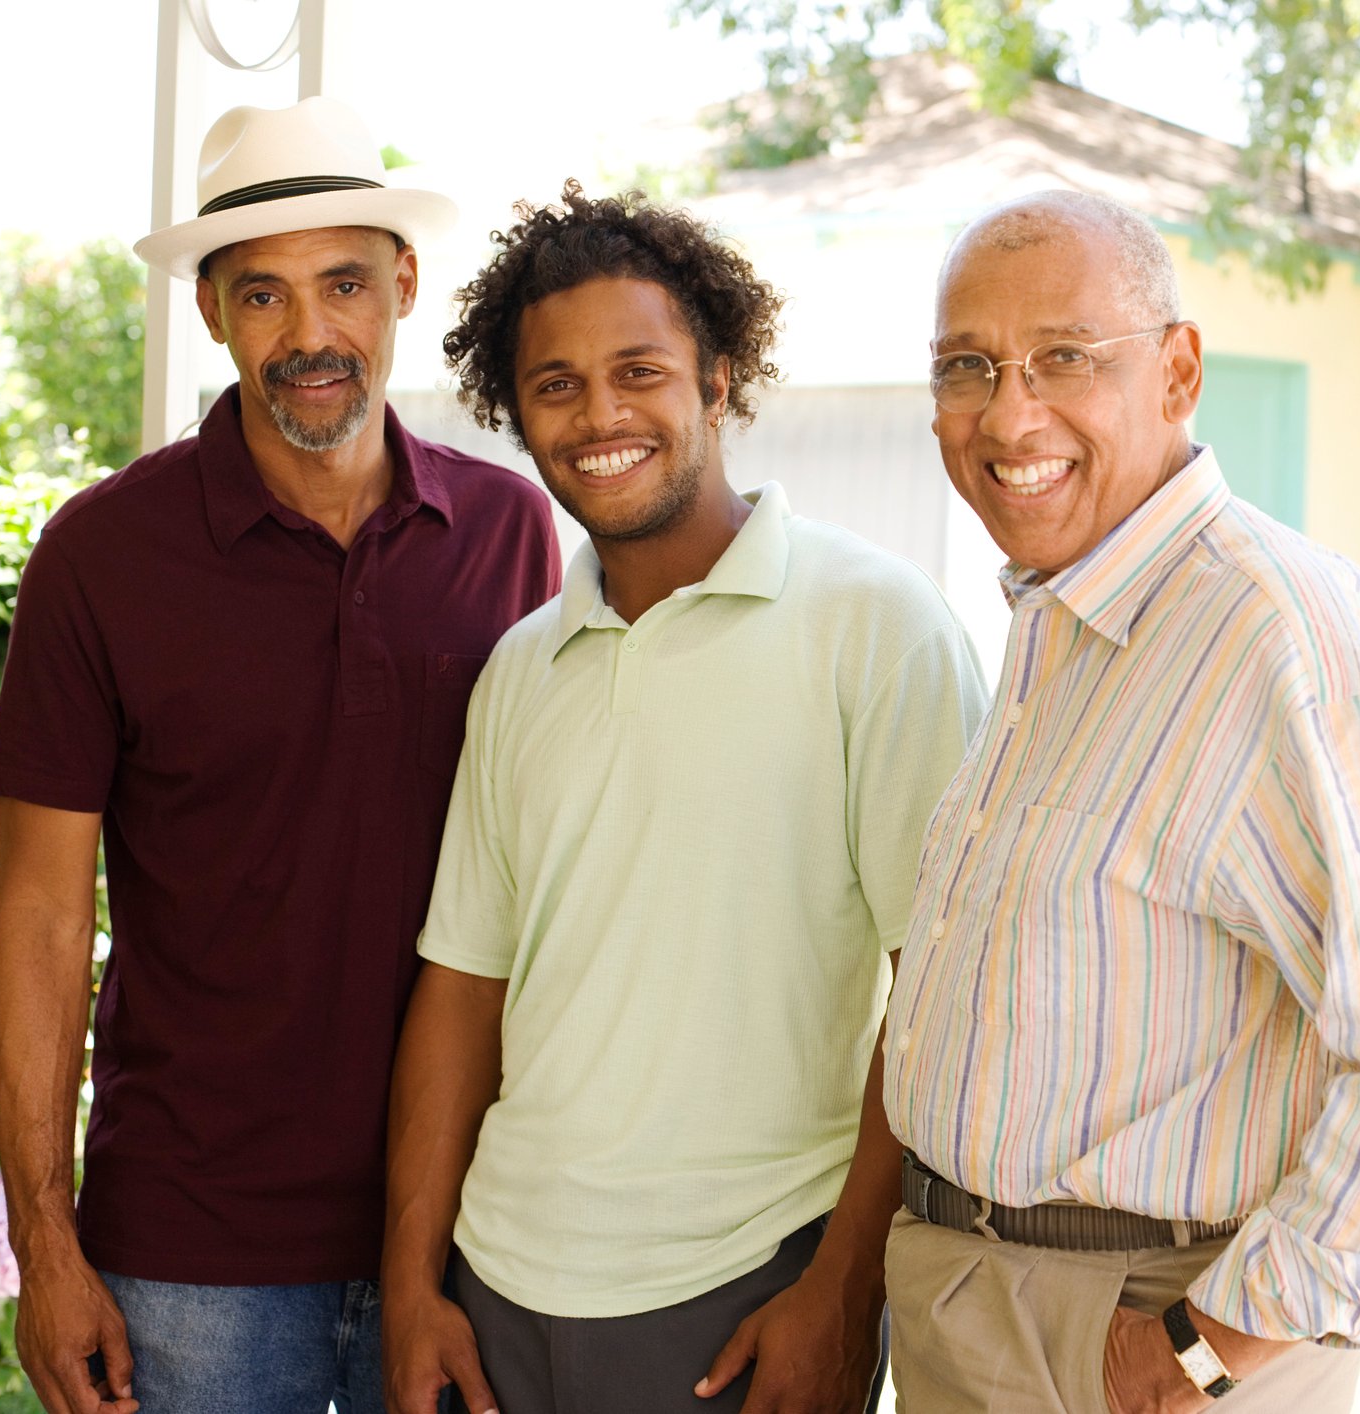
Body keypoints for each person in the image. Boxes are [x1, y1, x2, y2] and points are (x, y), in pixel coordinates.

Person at [880, 190, 1360, 1414]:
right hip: (976, 1303)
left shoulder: (1280, 630)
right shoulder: (1057, 625)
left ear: (1178, 372)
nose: (1009, 412)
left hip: (1135, 1332)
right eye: (968, 366)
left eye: (1065, 359)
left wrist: (1207, 1343)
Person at [0, 97, 561, 1414]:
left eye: (344, 283)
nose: (309, 335)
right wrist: (45, 1238)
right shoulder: (101, 556)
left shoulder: (511, 533)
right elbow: (40, 912)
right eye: (262, 295)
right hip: (191, 1253)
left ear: (403, 284)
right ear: (211, 312)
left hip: (477, 1230)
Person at [378, 182, 988, 1414]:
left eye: (640, 371)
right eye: (555, 385)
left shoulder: (876, 626)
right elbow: (461, 988)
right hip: (497, 1292)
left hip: (739, 1291)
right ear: (517, 414)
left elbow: (941, 994)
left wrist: (843, 1287)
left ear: (717, 381)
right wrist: (409, 1287)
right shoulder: (521, 668)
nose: (600, 414)